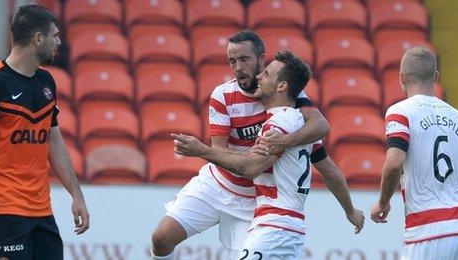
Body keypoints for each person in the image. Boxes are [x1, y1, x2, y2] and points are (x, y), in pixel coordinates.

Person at [150, 30, 363, 259]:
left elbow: (321, 128)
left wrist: (282, 142)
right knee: (161, 238)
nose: (238, 67)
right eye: (232, 61)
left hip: (255, 203)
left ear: (262, 60)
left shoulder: (289, 104)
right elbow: (220, 154)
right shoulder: (223, 95)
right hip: (219, 184)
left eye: (244, 59)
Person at [0, 5, 89, 259]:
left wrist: (76, 194)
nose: (59, 41)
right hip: (3, 212)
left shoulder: (46, 82)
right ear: (38, 38)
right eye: (55, 35)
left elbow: (53, 140)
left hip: (42, 214)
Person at [370, 46, 458, 259]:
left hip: (426, 230)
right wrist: (448, 195)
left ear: (401, 77)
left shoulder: (400, 112)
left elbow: (394, 163)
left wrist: (383, 202)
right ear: (435, 77)